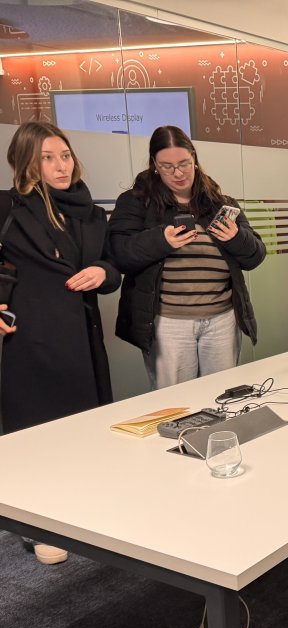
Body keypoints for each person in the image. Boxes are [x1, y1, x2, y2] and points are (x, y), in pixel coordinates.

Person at [0, 122, 122, 565]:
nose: (60, 165)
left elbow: (112, 266)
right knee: (35, 431)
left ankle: (82, 513)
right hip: (29, 336)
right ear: (27, 162)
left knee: (82, 426)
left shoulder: (90, 212)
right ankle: (38, 527)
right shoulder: (8, 206)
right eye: (48, 157)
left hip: (80, 335)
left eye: (65, 155)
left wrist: (103, 273)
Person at [109, 125, 265, 389]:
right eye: (167, 167)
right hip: (168, 323)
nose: (178, 173)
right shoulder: (137, 202)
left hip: (222, 319)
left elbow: (255, 256)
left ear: (194, 159)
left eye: (184, 164)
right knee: (176, 402)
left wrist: (236, 237)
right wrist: (161, 240)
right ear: (154, 165)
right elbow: (118, 253)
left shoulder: (221, 203)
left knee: (221, 395)